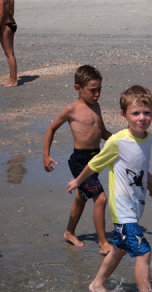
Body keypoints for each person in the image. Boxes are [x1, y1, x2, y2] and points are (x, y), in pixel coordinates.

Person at [67, 85, 152, 292]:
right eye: (135, 113)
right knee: (143, 251)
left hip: (137, 206)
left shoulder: (148, 139)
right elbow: (95, 164)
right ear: (123, 115)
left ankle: (97, 284)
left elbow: (141, 166)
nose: (142, 118)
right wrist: (77, 180)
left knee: (119, 248)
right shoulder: (117, 141)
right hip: (122, 209)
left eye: (147, 112)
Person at [43, 65, 112, 255]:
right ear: (77, 88)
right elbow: (51, 129)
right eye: (92, 90)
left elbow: (103, 132)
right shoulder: (70, 110)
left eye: (99, 90)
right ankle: (103, 243)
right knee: (101, 198)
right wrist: (46, 155)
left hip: (96, 158)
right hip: (80, 162)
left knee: (82, 197)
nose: (97, 94)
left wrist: (122, 142)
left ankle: (69, 232)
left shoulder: (96, 106)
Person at [0, 0, 17, 87]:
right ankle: (12, 78)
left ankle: (13, 80)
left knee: (9, 54)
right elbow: (12, 12)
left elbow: (1, 13)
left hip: (5, 26)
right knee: (11, 53)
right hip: (12, 23)